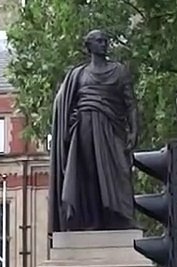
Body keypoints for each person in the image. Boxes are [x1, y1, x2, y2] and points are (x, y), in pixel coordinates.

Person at [49, 29, 139, 233]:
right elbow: (62, 104)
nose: (104, 44)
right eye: (99, 41)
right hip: (85, 129)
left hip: (112, 127)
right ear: (89, 46)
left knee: (120, 171)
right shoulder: (78, 75)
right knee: (89, 175)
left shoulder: (119, 71)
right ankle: (91, 220)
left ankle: (122, 217)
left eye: (105, 40)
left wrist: (134, 131)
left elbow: (130, 104)